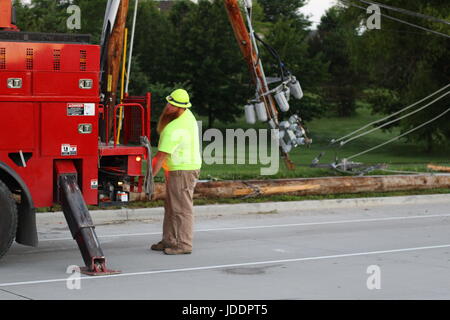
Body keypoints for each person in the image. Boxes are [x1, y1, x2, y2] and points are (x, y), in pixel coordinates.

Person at [150, 89, 202, 255]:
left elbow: (159, 157)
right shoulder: (187, 114)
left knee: (181, 209)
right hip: (182, 168)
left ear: (179, 108)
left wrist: (148, 178)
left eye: (171, 105)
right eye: (168, 102)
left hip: (182, 170)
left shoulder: (174, 128)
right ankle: (169, 240)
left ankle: (184, 244)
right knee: (172, 207)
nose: (167, 106)